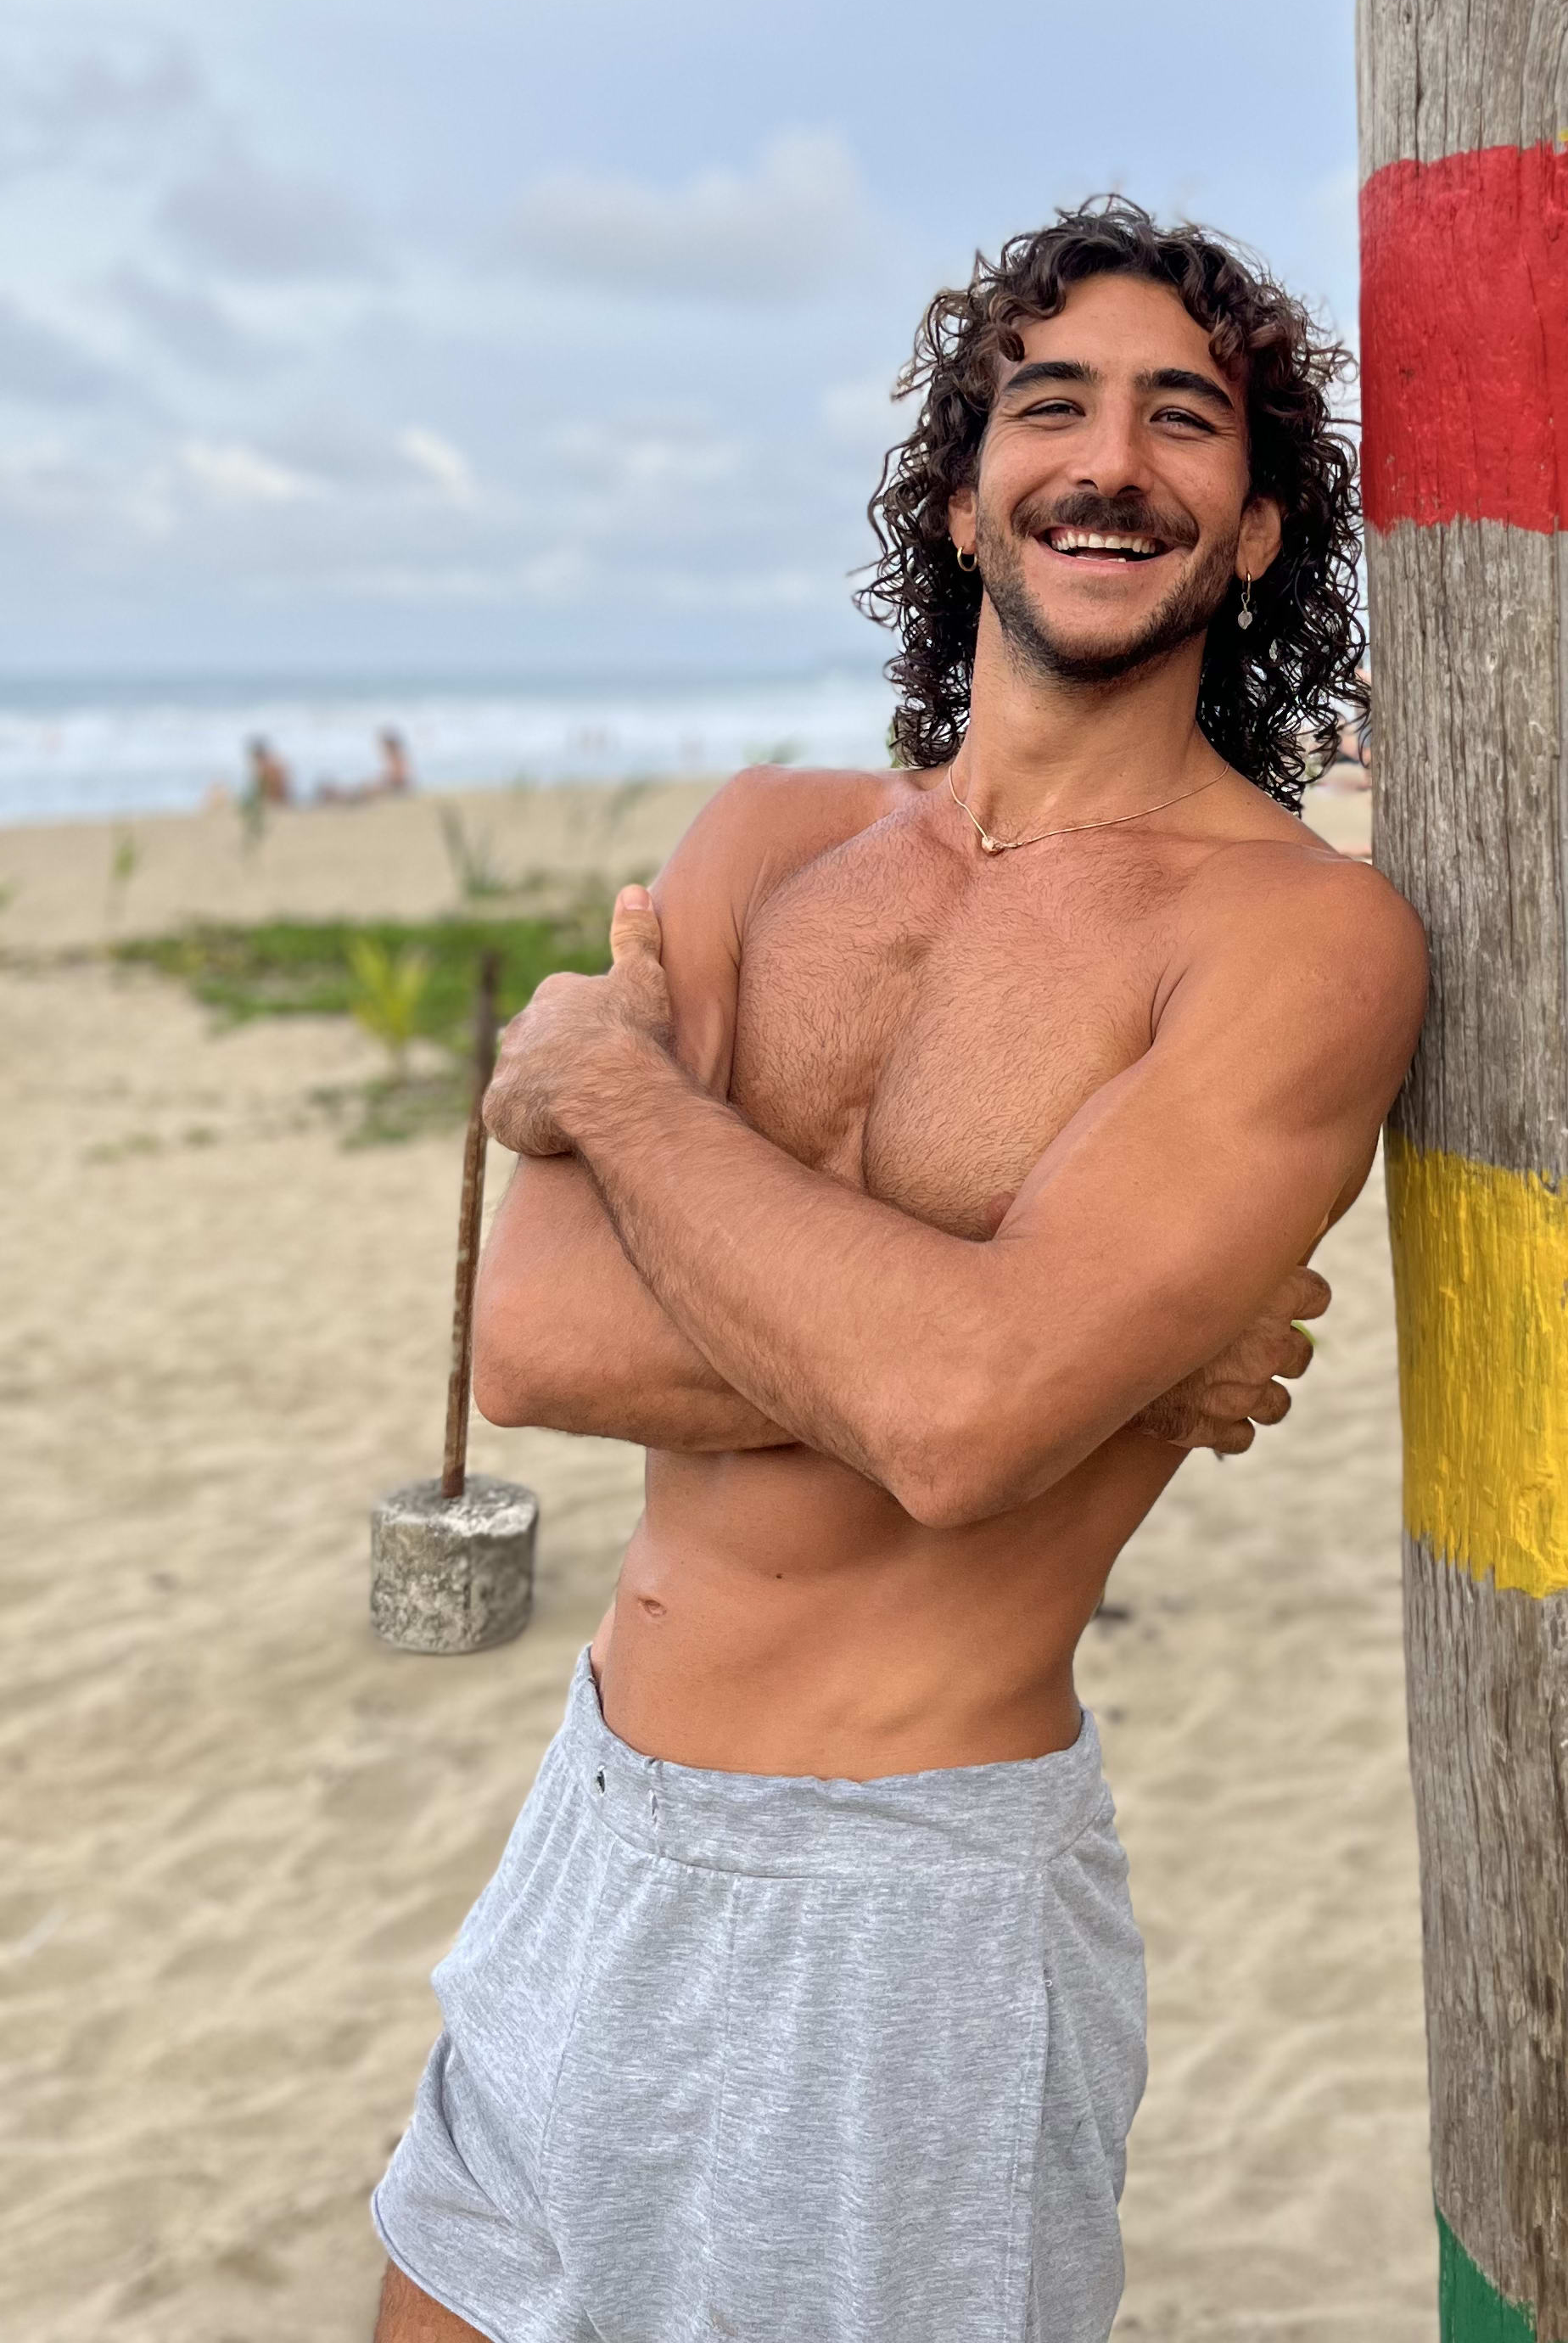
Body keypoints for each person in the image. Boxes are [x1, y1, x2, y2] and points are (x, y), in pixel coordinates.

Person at [370, 200, 1428, 2343]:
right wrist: (1089, 1356)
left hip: (901, 1908)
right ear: (962, 502)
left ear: (1251, 533)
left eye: (1183, 422)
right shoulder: (765, 843)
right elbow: (541, 1340)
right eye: (1052, 408)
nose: (1109, 461)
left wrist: (627, 1101)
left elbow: (959, 1432)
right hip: (593, 1822)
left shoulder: (1294, 942)